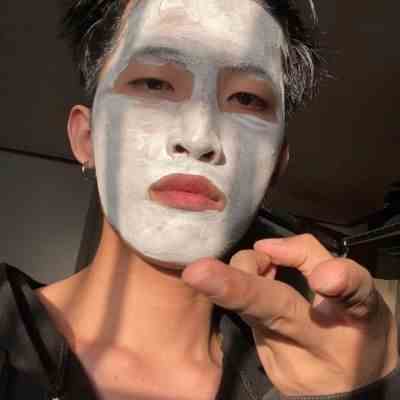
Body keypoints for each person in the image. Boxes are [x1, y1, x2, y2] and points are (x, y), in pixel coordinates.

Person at [0, 0, 399, 399]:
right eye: (154, 84)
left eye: (246, 99)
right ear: (87, 138)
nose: (199, 138)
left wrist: (360, 390)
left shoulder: (296, 384)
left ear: (276, 163)